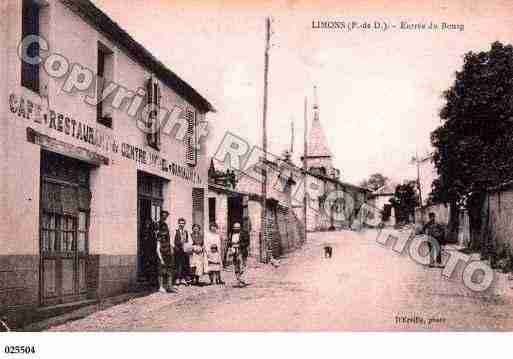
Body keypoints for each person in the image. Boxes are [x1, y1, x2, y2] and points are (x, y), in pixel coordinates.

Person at [156, 210, 176, 293]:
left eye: (166, 216)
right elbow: (157, 246)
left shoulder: (166, 225)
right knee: (161, 270)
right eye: (163, 216)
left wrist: (171, 248)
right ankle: (160, 286)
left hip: (167, 250)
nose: (165, 217)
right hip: (161, 251)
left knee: (169, 269)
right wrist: (160, 257)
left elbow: (170, 238)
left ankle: (169, 286)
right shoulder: (157, 225)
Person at [174, 218, 191, 285]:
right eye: (180, 223)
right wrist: (175, 247)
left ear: (184, 224)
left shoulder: (186, 232)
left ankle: (184, 278)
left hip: (185, 250)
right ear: (178, 224)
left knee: (185, 264)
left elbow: (188, 240)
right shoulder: (176, 231)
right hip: (178, 249)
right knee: (178, 264)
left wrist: (188, 248)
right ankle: (178, 278)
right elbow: (173, 241)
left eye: (183, 223)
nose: (181, 224)